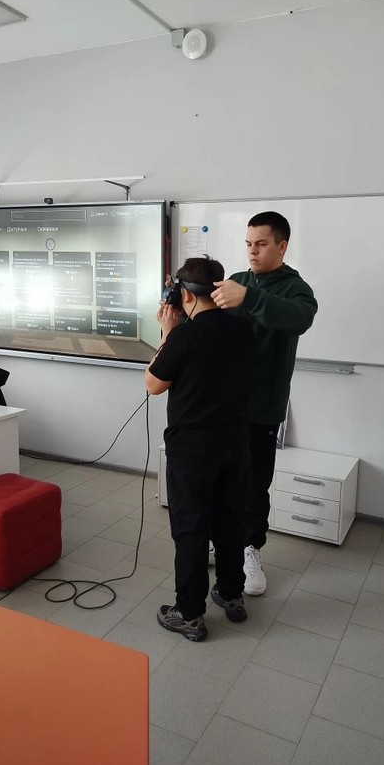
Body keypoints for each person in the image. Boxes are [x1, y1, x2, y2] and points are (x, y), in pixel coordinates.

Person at [145, 257, 255, 642]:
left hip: (192, 450)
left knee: (191, 528)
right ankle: (231, 593)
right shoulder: (244, 329)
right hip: (236, 443)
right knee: (230, 521)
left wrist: (166, 332)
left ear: (185, 295)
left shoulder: (183, 336)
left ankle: (189, 614)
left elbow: (153, 384)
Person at [211, 211, 318, 595]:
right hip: (224, 405)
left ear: (281, 246)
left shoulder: (295, 289)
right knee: (221, 479)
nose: (252, 252)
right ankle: (223, 540)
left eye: (261, 244)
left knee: (254, 485)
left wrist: (249, 298)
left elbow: (299, 318)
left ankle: (249, 549)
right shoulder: (236, 280)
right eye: (248, 244)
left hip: (262, 409)